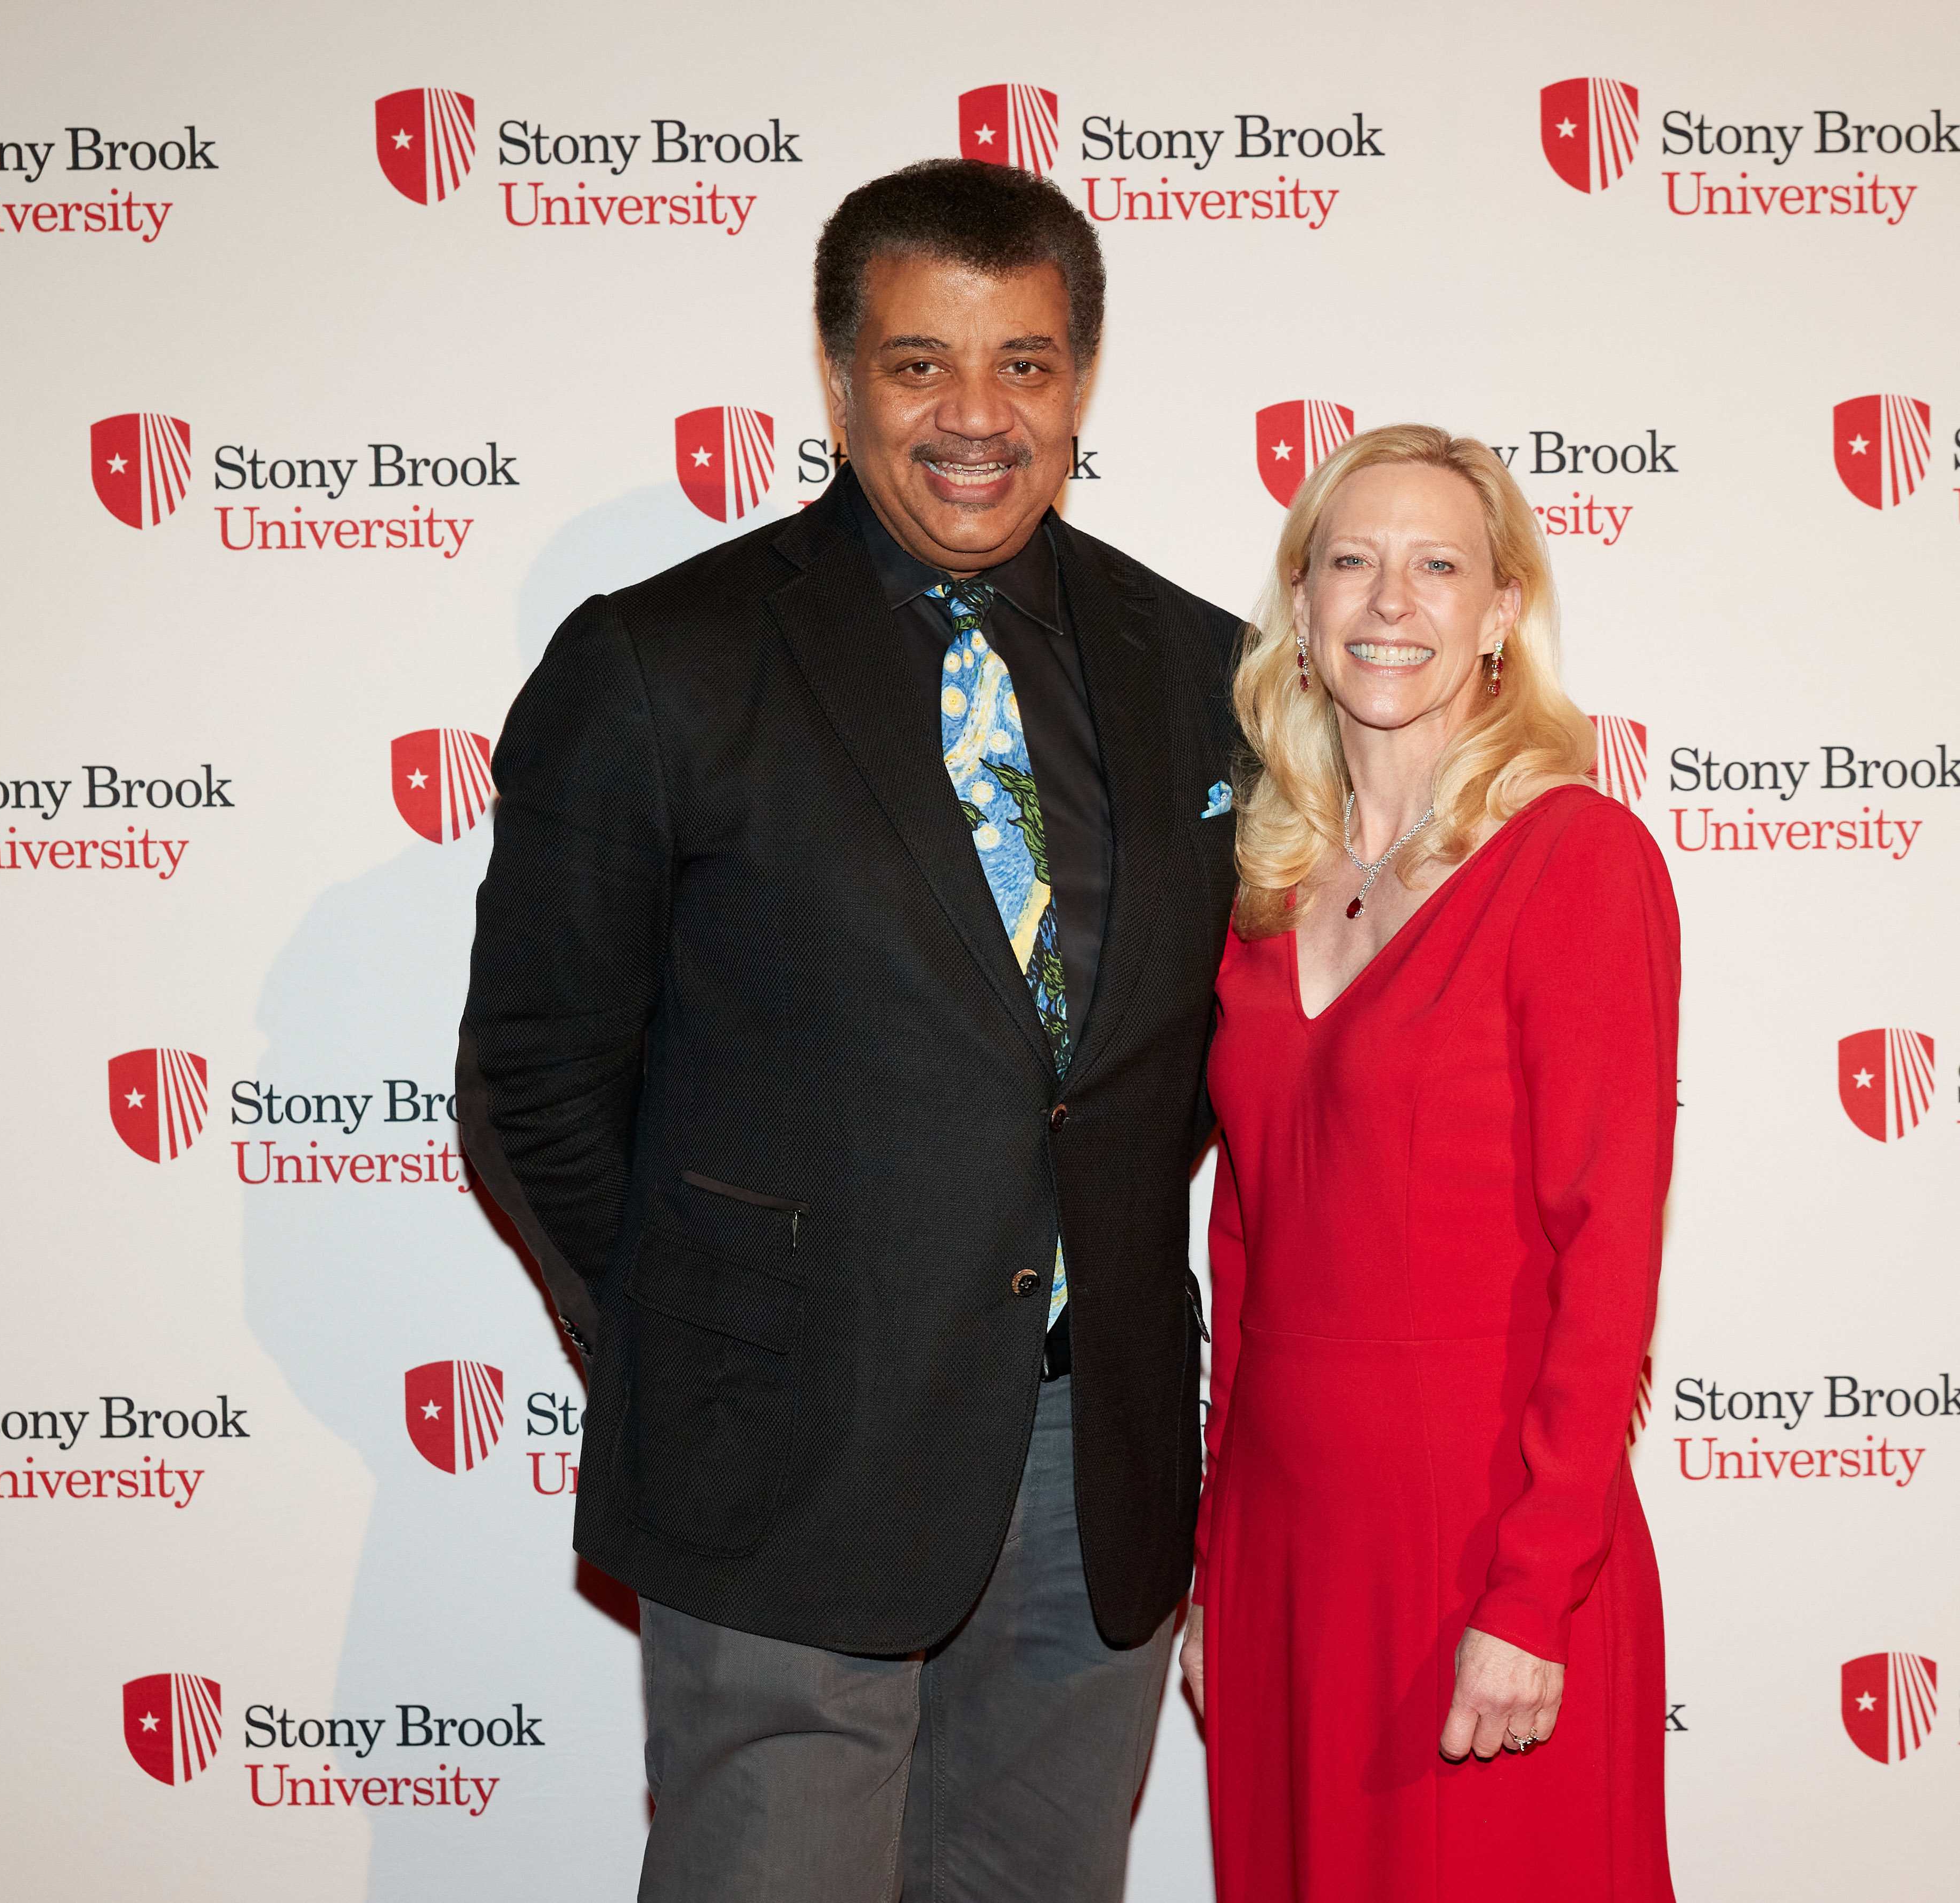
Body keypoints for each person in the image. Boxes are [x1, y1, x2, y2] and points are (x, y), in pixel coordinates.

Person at [458, 160, 1242, 1901]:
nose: (976, 418)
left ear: (1080, 381)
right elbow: (534, 1075)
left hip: (1087, 1460)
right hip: (779, 1452)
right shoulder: (660, 662)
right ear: (837, 377)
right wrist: (706, 1336)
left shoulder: (1200, 667)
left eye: (1024, 365)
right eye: (918, 365)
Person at [1181, 426, 1679, 1901]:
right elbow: (1244, 1246)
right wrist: (1215, 1554)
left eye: (1435, 566)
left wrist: (1532, 1590)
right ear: (1302, 606)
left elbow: (1609, 1262)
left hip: (1481, 1542)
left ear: (1499, 614)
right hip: (1284, 1555)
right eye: (1351, 562)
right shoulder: (1265, 890)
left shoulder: (1572, 862)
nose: (1388, 602)